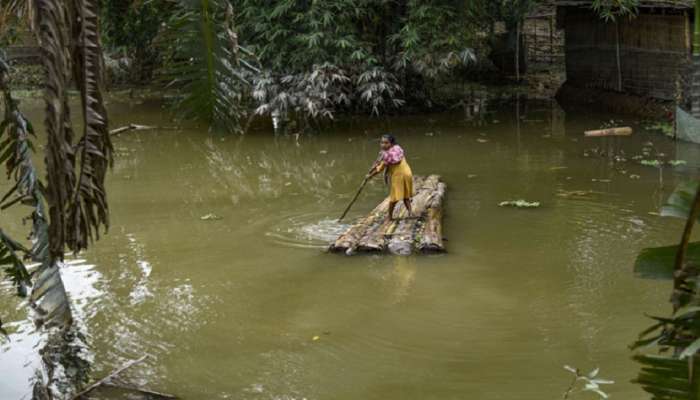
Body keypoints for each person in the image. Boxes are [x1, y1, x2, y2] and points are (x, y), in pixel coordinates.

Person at [367, 134, 413, 221]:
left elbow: (379, 169)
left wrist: (370, 176)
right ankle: (410, 213)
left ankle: (390, 217)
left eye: (386, 143)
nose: (383, 145)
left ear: (391, 144)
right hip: (408, 173)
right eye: (382, 142)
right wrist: (373, 168)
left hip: (399, 176)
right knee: (405, 196)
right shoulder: (398, 149)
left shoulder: (387, 156)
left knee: (393, 199)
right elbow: (378, 162)